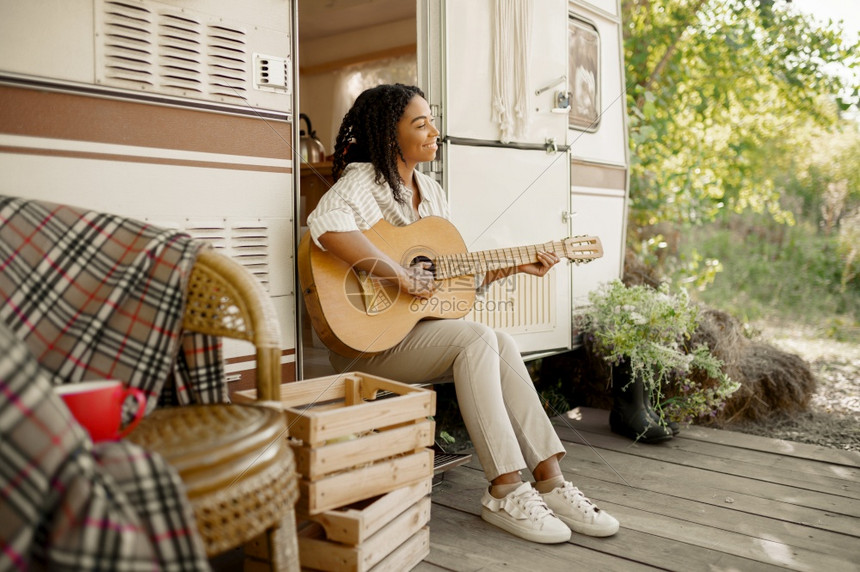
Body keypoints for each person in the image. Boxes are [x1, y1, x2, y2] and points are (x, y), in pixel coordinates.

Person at [306, 83, 619, 544]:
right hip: (364, 345)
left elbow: (449, 283)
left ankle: (550, 482)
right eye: (421, 123)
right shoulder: (365, 180)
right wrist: (397, 274)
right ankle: (504, 490)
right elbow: (326, 225)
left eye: (431, 120)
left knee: (501, 341)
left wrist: (513, 265)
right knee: (475, 338)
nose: (434, 130)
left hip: (413, 337)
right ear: (390, 135)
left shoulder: (429, 191)